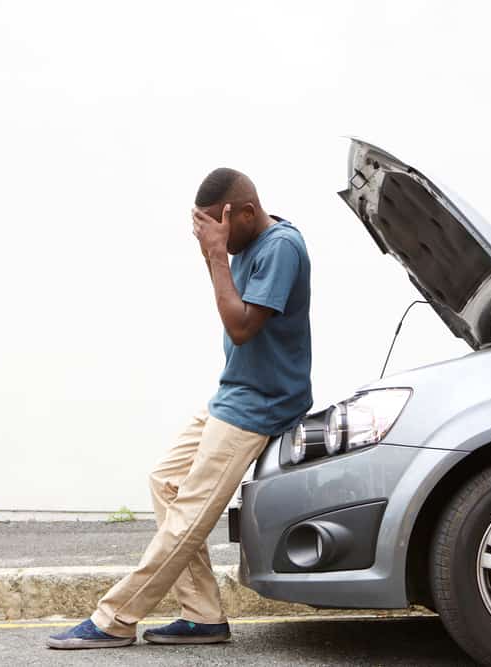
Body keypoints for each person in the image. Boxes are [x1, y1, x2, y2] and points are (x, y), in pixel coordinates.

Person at [46, 167, 312, 649]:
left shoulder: (281, 248)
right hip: (234, 394)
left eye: (219, 226)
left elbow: (243, 327)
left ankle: (115, 618)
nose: (216, 239)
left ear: (245, 212)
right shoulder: (250, 244)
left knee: (188, 512)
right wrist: (215, 249)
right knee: (165, 480)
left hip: (261, 404)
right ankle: (203, 615)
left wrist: (214, 255)